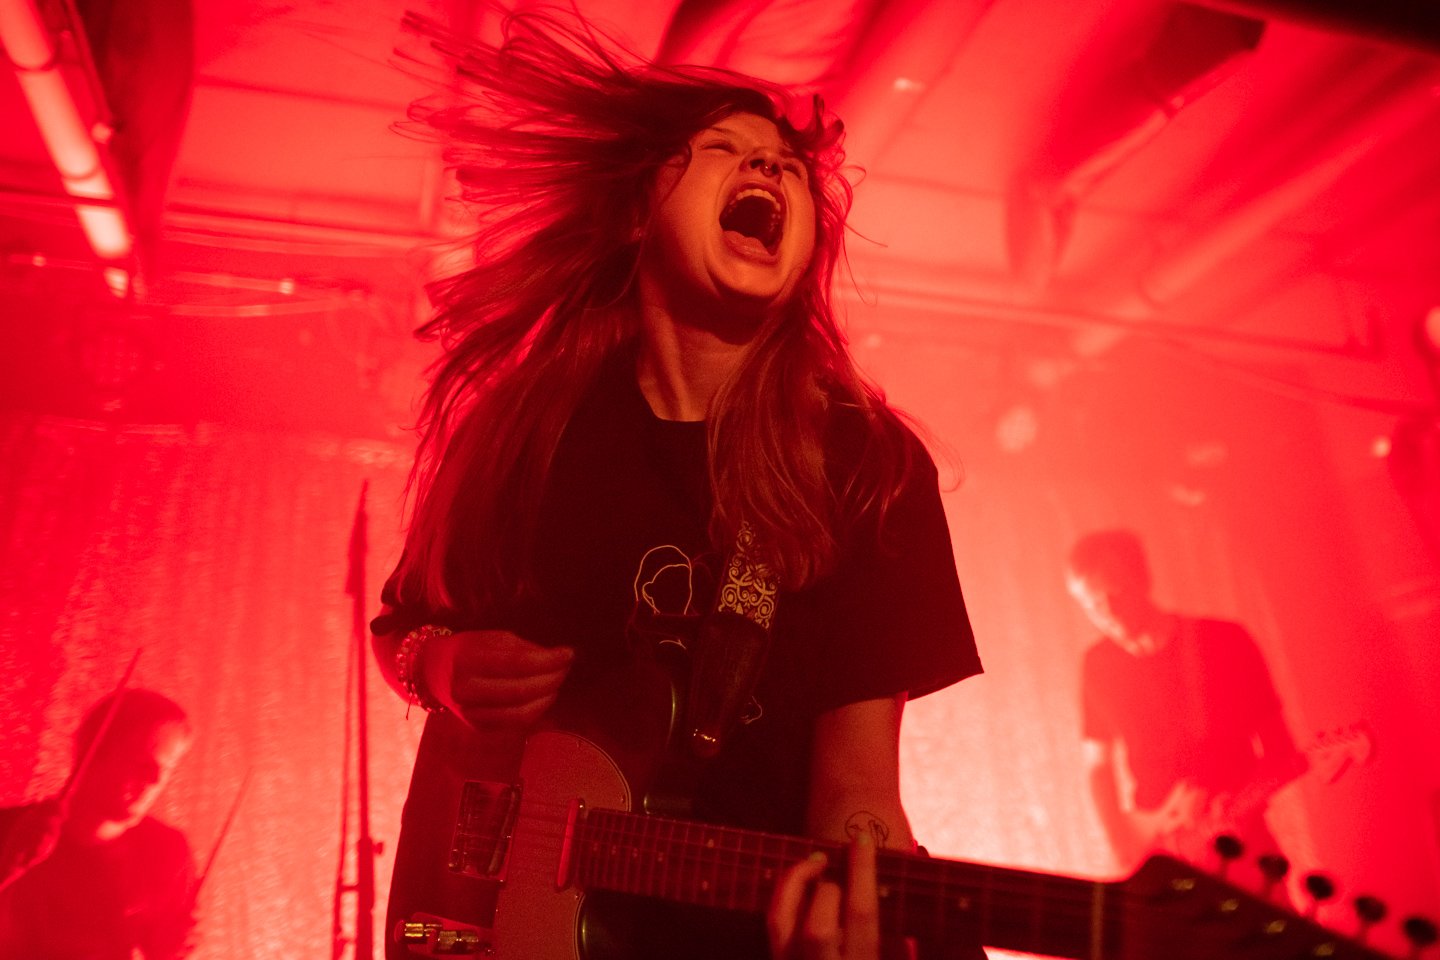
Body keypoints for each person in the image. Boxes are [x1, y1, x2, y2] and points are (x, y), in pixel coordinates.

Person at [371, 10, 984, 960]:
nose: (771, 168)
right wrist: (441, 670)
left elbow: (857, 794)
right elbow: (403, 629)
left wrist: (866, 908)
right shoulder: (523, 433)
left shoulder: (867, 467)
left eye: (786, 162)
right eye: (722, 149)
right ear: (631, 215)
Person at [1069, 529, 1307, 872]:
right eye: (1091, 604)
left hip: (1242, 846)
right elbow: (1098, 767)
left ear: (1142, 577)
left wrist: (1241, 797)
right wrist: (1121, 842)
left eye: (1115, 591)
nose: (1108, 612)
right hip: (1158, 851)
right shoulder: (1097, 666)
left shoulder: (1226, 641)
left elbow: (1281, 750)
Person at [0, 688, 197, 959]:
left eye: (168, 770)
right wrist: (6, 870)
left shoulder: (168, 853)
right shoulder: (8, 832)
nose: (155, 781)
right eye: (143, 763)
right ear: (91, 749)